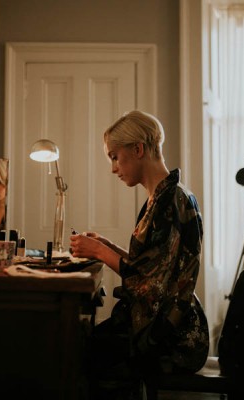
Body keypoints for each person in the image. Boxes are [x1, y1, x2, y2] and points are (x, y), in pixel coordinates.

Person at [69, 111, 209, 399]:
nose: (113, 168)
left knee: (78, 353)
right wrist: (106, 244)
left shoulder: (172, 200)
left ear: (138, 149)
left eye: (114, 157)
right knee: (82, 345)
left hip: (173, 334)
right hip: (160, 321)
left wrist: (98, 251)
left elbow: (152, 284)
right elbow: (150, 267)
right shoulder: (160, 198)